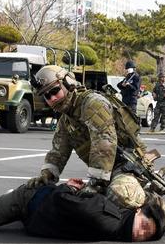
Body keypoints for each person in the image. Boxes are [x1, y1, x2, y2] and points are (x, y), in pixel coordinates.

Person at [27, 65, 147, 208]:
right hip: (107, 174)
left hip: (130, 166)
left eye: (54, 91)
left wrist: (96, 183)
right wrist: (46, 175)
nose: (52, 98)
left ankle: (150, 201)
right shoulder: (66, 120)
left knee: (120, 194)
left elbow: (104, 142)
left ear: (68, 83)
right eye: (46, 95)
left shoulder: (93, 104)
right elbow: (58, 152)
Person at [0, 178, 165, 242]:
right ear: (138, 211)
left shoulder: (116, 223)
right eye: (144, 227)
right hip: (28, 200)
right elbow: (61, 199)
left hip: (35, 219)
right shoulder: (105, 215)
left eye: (146, 235)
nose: (140, 233)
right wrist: (67, 187)